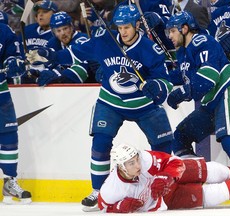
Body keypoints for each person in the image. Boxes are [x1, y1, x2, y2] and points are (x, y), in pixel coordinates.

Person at [26, 4, 174, 210]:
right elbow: (73, 54)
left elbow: (165, 82)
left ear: (137, 25)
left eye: (127, 27)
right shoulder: (105, 41)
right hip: (111, 102)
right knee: (100, 142)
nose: (123, 32)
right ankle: (99, 191)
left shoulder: (150, 49)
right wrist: (49, 55)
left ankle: (159, 190)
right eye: (120, 27)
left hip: (144, 106)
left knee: (164, 146)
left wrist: (156, 86)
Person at [165, 11, 230, 178]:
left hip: (227, 88)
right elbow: (182, 77)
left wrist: (182, 93)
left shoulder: (202, 41)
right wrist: (159, 80)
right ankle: (196, 177)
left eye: (172, 31)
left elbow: (208, 79)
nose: (169, 36)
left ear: (184, 28)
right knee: (180, 136)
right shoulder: (183, 52)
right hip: (212, 99)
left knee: (228, 136)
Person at [97, 143, 230, 212]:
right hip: (166, 199)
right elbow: (103, 204)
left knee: (207, 170)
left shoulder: (146, 159)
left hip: (171, 173)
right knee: (211, 195)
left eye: (136, 160)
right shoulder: (112, 187)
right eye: (131, 164)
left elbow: (175, 162)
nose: (138, 165)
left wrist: (165, 178)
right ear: (121, 167)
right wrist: (120, 207)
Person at [0, 21, 31, 204]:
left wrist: (13, 62)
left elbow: (14, 55)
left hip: (0, 90)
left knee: (9, 135)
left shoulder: (3, 30)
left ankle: (9, 182)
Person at [29, 11, 99, 85]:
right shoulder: (53, 42)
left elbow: (82, 71)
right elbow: (48, 64)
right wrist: (38, 72)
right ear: (53, 32)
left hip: (91, 87)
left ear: (71, 27)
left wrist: (58, 76)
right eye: (58, 30)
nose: (63, 33)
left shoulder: (82, 40)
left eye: (65, 28)